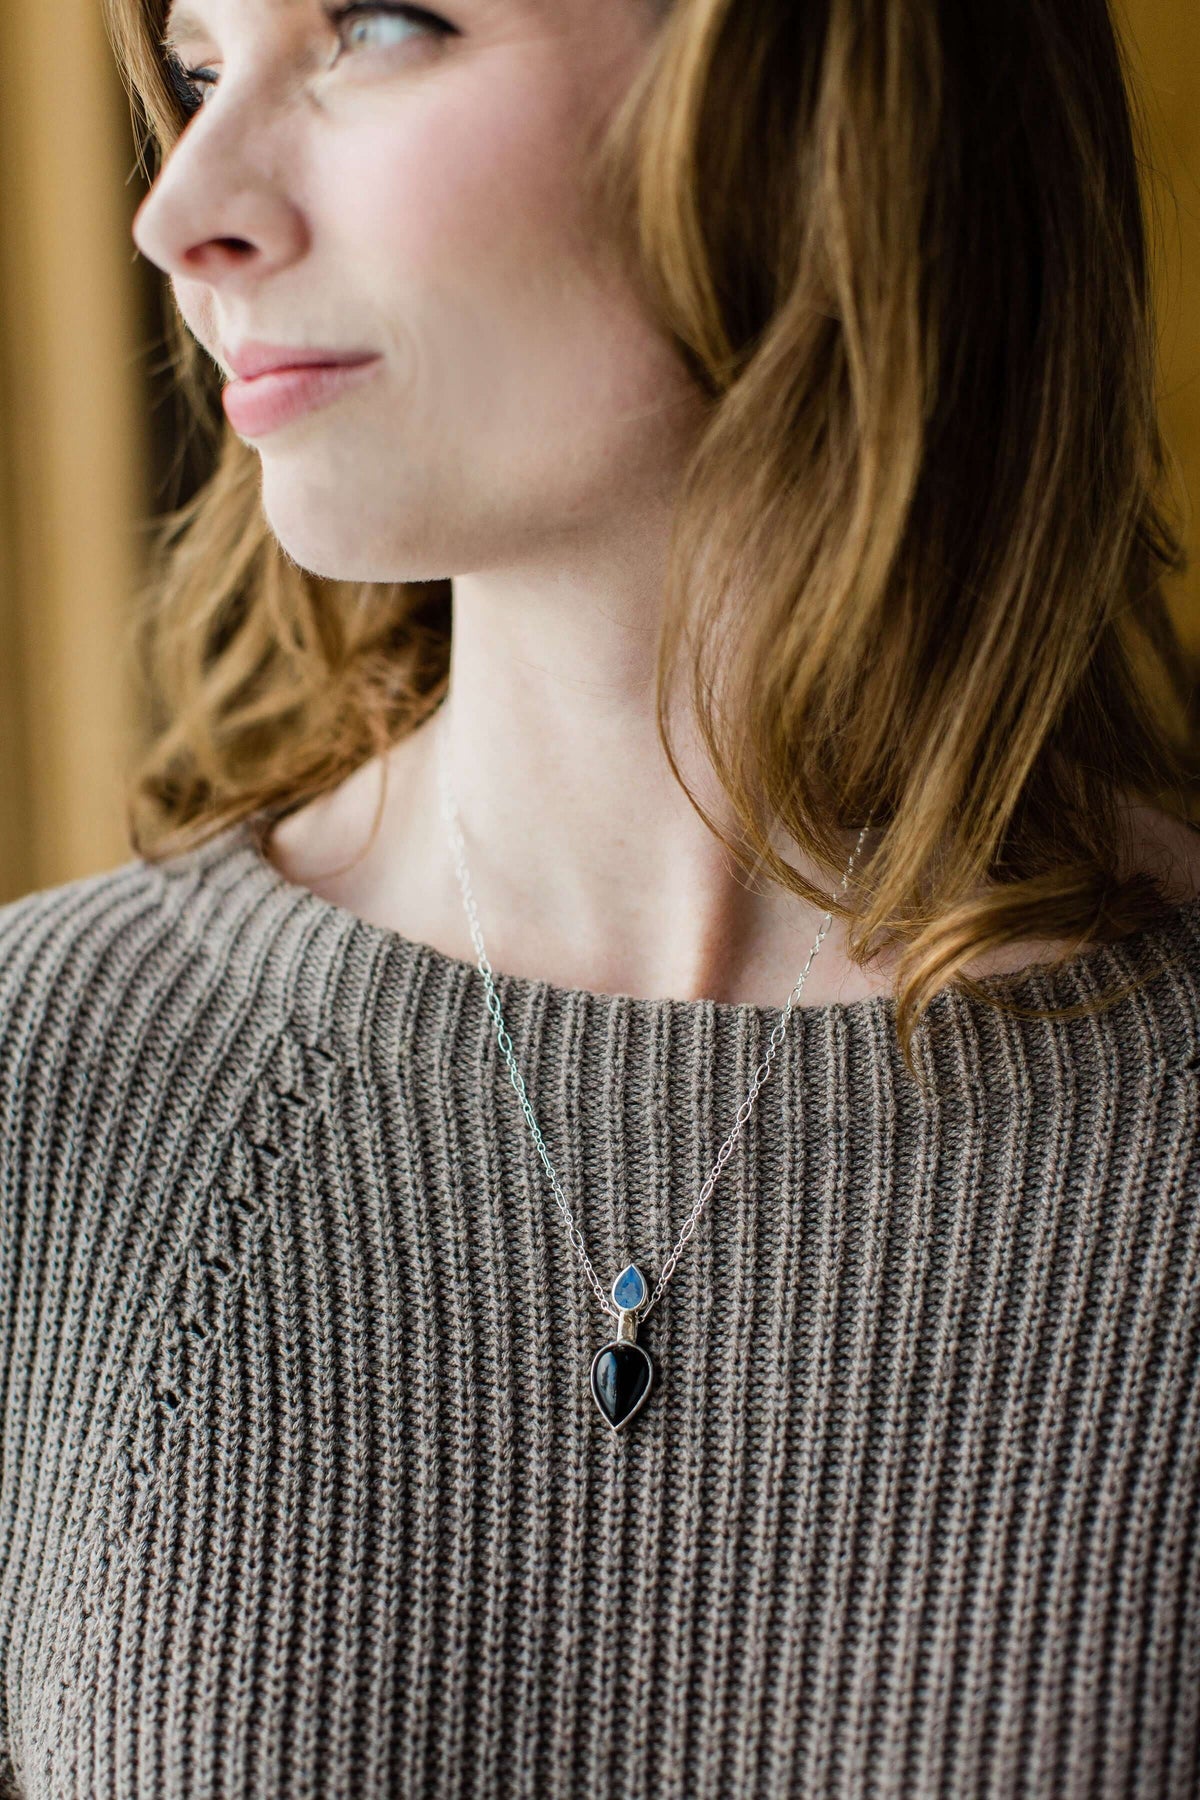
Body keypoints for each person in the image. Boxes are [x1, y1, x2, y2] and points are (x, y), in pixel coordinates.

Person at [2, 0, 1199, 1794]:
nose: (184, 209)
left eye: (377, 28)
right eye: (195, 69)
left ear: (816, 82)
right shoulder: (44, 1088)